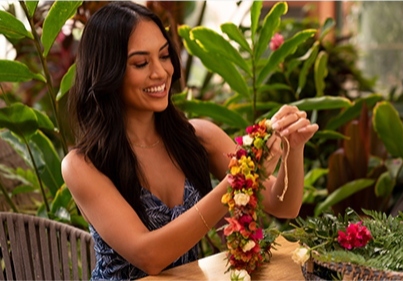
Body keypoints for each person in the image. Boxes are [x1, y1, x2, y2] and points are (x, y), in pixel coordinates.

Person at [61, 1, 319, 280]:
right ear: (107, 73)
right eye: (141, 63)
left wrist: (293, 147)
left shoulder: (197, 138)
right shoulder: (83, 165)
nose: (160, 72)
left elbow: (282, 205)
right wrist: (238, 180)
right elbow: (150, 256)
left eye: (164, 55)